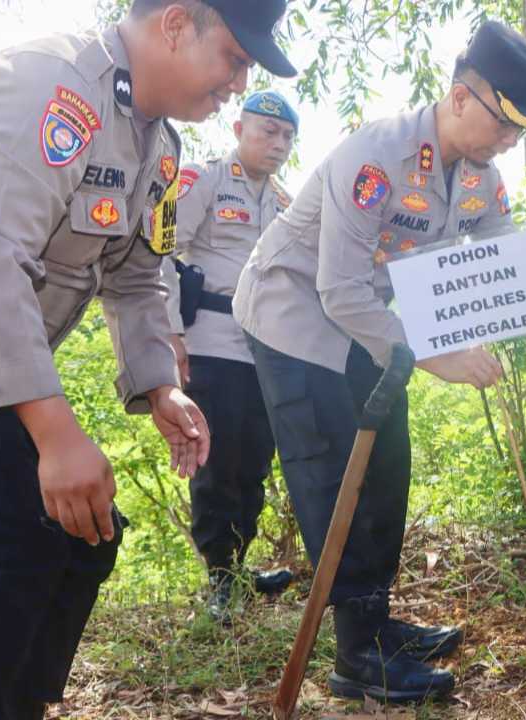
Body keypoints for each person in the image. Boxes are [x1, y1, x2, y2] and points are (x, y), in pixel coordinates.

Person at [233, 20, 526, 702]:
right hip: (296, 317)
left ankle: (376, 624)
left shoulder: (479, 179)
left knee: (388, 466)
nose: (511, 140)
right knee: (334, 477)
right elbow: (336, 289)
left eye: (520, 130)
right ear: (458, 98)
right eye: (505, 123)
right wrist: (434, 355)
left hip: (371, 326)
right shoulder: (376, 157)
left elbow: (517, 275)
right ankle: (357, 657)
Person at [0, 1, 294, 717]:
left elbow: (138, 275)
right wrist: (55, 435)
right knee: (13, 547)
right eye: (234, 57)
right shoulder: (47, 89)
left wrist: (161, 387)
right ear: (177, 23)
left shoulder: (157, 146)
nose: (237, 83)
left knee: (81, 541)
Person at [162, 90, 299, 622]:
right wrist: (170, 332)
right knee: (215, 462)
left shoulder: (284, 202)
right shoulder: (204, 180)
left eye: (287, 136)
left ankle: (238, 566)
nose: (279, 143)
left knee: (252, 460)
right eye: (269, 131)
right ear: (240, 128)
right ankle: (219, 576)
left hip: (264, 349)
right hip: (212, 344)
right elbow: (163, 254)